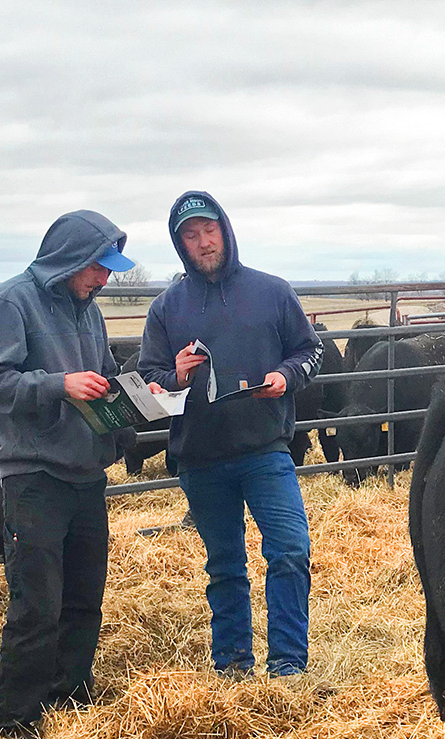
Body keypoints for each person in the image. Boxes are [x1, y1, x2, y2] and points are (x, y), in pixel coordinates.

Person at [136, 191, 323, 677]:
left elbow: (310, 351)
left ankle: (288, 665)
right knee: (224, 566)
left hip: (265, 450)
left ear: (225, 230)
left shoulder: (272, 292)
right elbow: (148, 379)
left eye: (209, 230)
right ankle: (234, 665)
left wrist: (286, 376)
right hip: (200, 457)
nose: (203, 242)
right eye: (191, 235)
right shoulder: (165, 308)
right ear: (180, 244)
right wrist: (175, 375)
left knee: (290, 550)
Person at [0, 209, 136, 738]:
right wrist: (57, 385)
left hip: (86, 470)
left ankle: (71, 692)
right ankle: (13, 719)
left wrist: (137, 394)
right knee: (37, 603)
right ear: (71, 259)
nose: (104, 279)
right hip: (34, 476)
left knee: (84, 595)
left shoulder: (90, 311)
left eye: (109, 270)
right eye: (98, 267)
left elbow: (103, 378)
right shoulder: (12, 302)